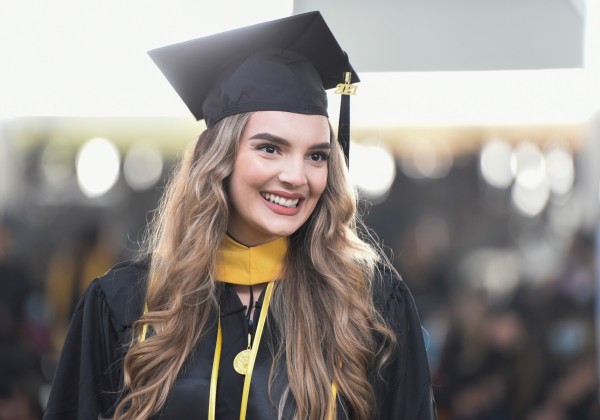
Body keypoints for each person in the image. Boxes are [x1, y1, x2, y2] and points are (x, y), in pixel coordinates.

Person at [43, 11, 436, 420]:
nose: (296, 177)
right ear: (219, 158)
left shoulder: (368, 306)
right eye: (270, 148)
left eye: (316, 155)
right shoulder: (128, 305)